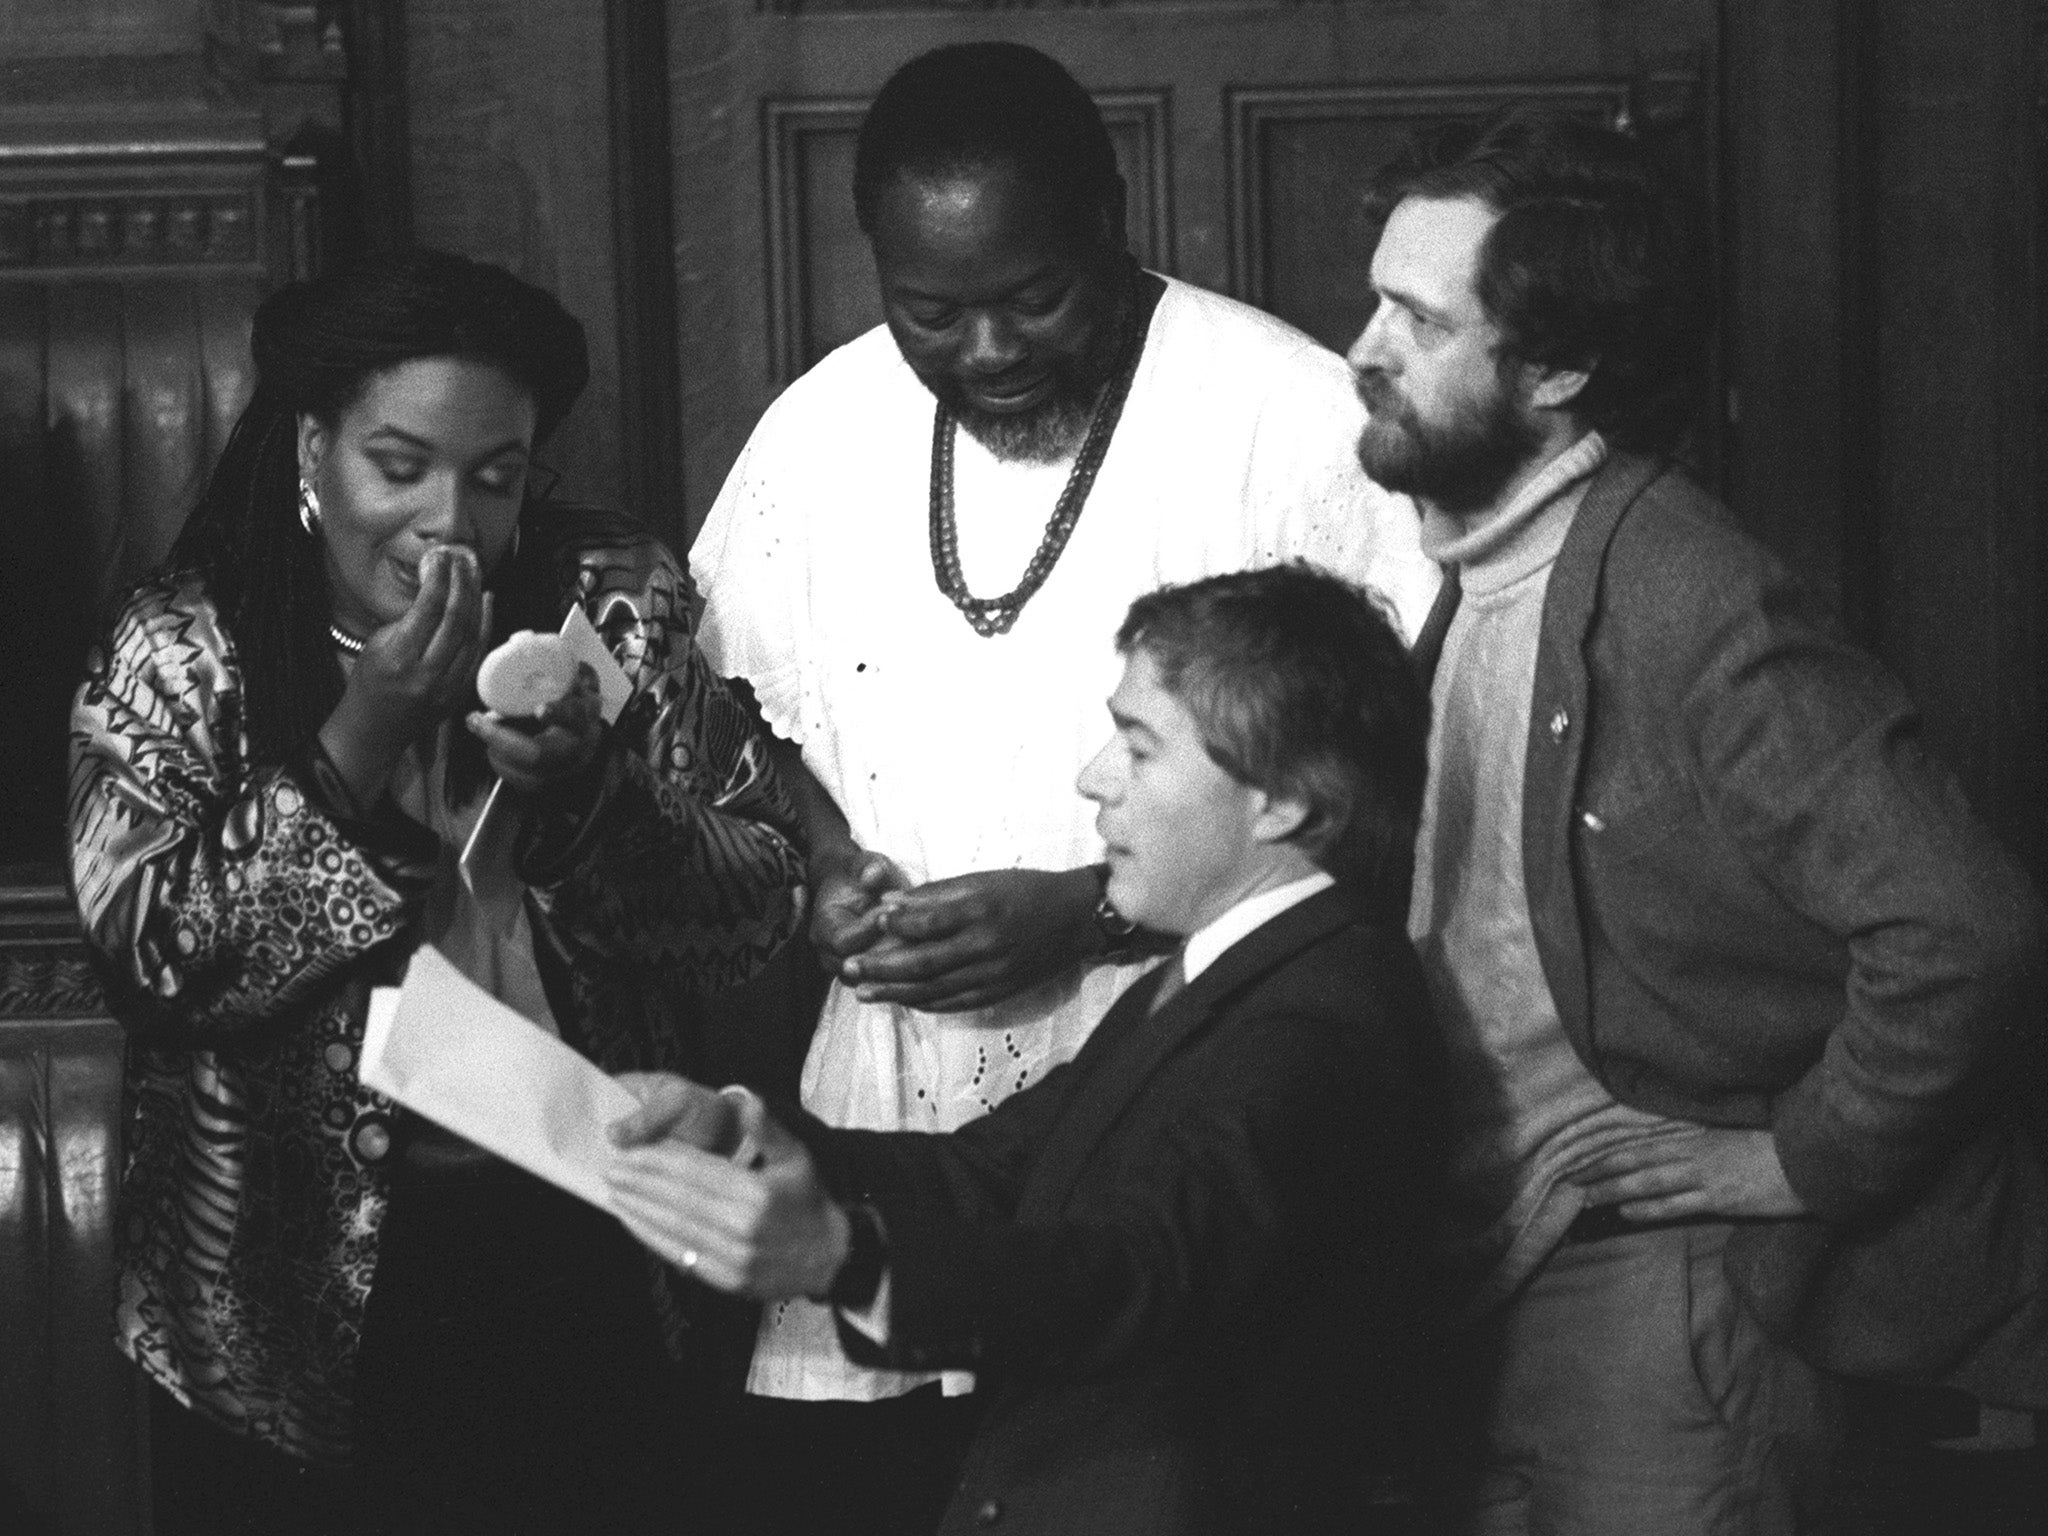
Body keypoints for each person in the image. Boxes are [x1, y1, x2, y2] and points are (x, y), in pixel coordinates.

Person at [688, 40, 1437, 1522]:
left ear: (1111, 216)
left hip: (1188, 1074)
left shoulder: (1286, 415)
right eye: (932, 311)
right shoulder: (822, 426)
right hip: (902, 1098)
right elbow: (743, 711)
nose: (987, 352)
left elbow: (1404, 784)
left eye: (1034, 297)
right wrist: (830, 862)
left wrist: (1083, 917)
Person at [1351, 111, 2048, 1533]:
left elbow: (1966, 929)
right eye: (1377, 300)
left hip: (1659, 1297)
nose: (1362, 347)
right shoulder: (1485, 556)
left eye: (1417, 320)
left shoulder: (1691, 593)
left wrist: (1800, 1159)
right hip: (1511, 1274)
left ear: (1556, 368)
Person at [66, 249, 805, 1536]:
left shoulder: (612, 606)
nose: (448, 523)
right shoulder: (182, 650)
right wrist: (359, 733)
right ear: (311, 453)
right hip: (283, 1303)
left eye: (495, 476)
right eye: (397, 467)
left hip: (591, 1250)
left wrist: (595, 802)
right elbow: (159, 967)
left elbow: (759, 904)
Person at [608, 563, 1445, 1536]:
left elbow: (1135, 1264)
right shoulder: (1240, 980)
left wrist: (843, 1258)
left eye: (1137, 748)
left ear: (1285, 802)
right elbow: (986, 1170)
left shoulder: (1320, 1018)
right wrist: (747, 1135)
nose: (1094, 778)